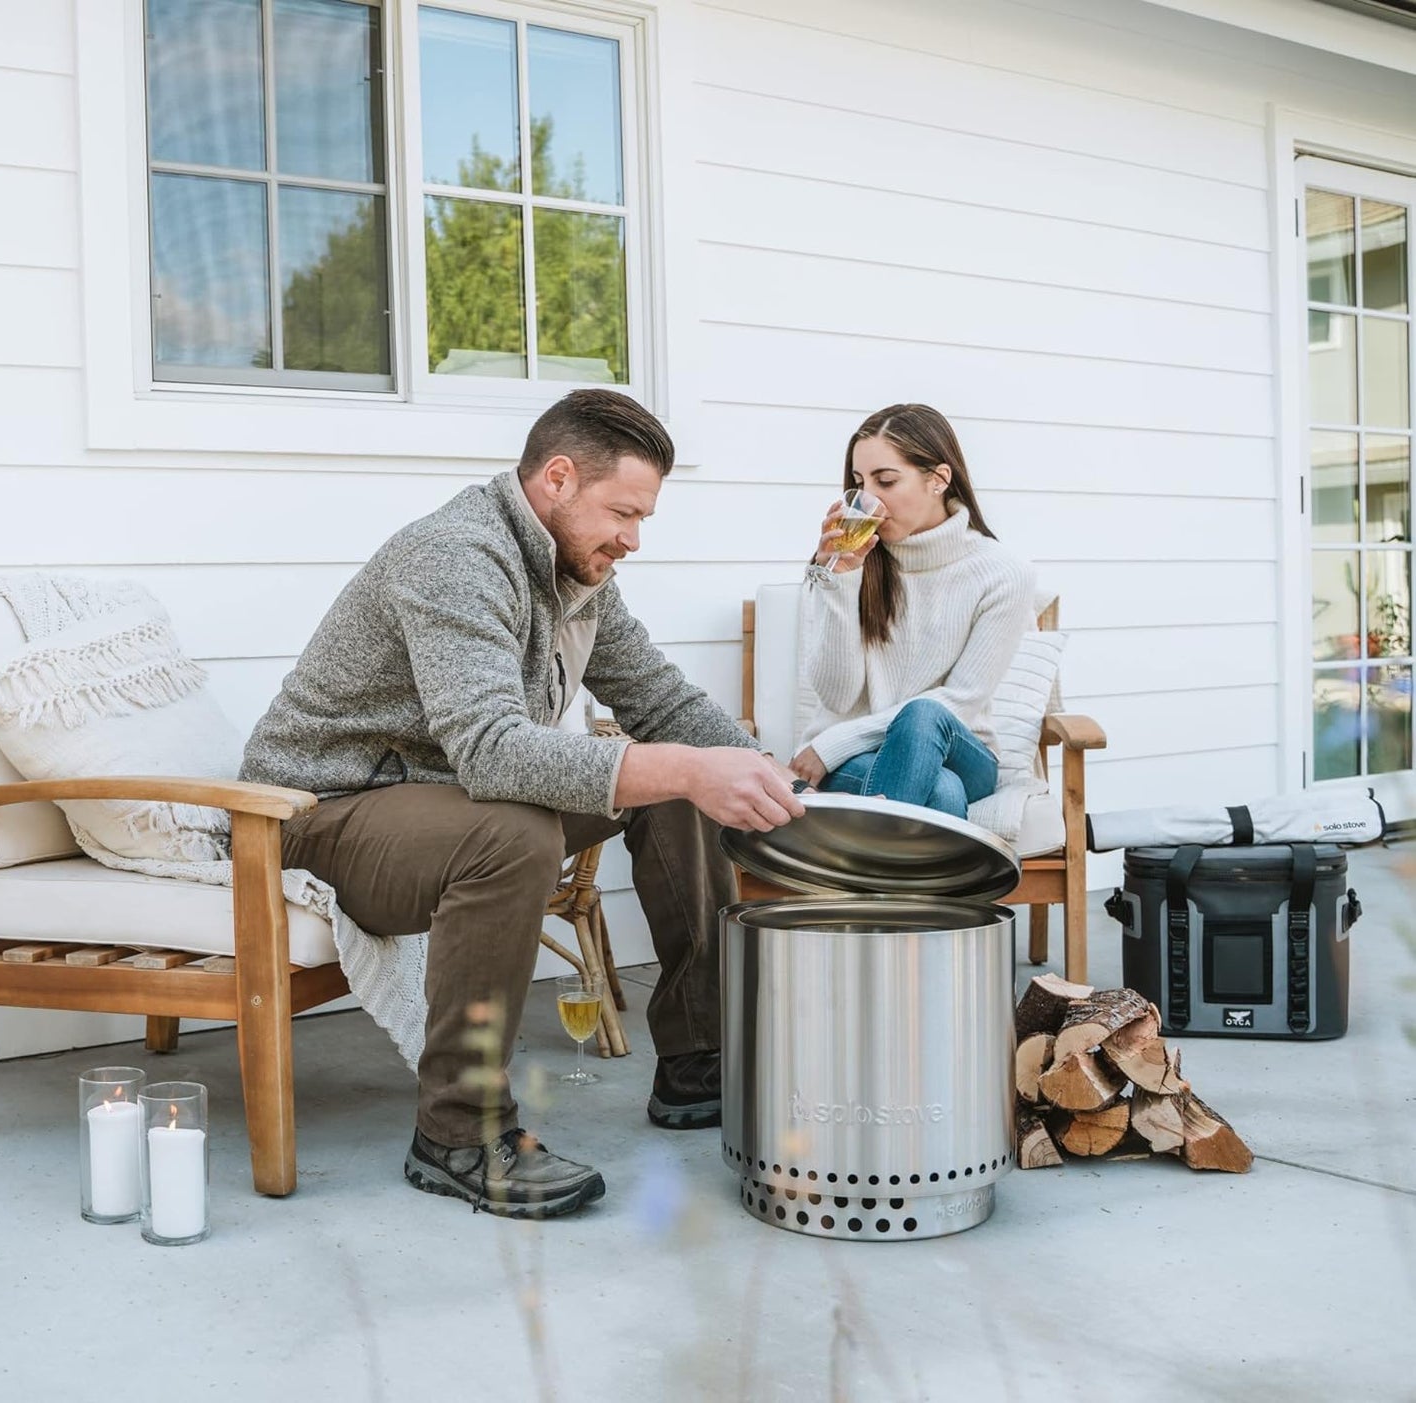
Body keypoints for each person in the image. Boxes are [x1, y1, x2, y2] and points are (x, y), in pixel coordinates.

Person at [241, 389, 803, 1219]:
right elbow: (492, 750)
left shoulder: (580, 573)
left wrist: (759, 773)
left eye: (643, 517)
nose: (632, 538)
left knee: (685, 780)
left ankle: (697, 1058)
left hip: (440, 795)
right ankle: (457, 1132)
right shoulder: (455, 554)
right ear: (557, 478)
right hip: (321, 810)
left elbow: (659, 702)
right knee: (513, 831)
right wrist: (683, 763)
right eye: (621, 512)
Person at [789, 404, 1034, 819]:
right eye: (858, 482)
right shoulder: (850, 558)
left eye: (885, 480)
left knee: (924, 715)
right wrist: (840, 579)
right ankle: (888, 884)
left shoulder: (1003, 574)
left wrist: (833, 745)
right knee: (941, 793)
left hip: (960, 749)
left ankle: (856, 877)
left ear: (938, 479)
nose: (869, 499)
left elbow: (961, 700)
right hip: (871, 761)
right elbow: (838, 694)